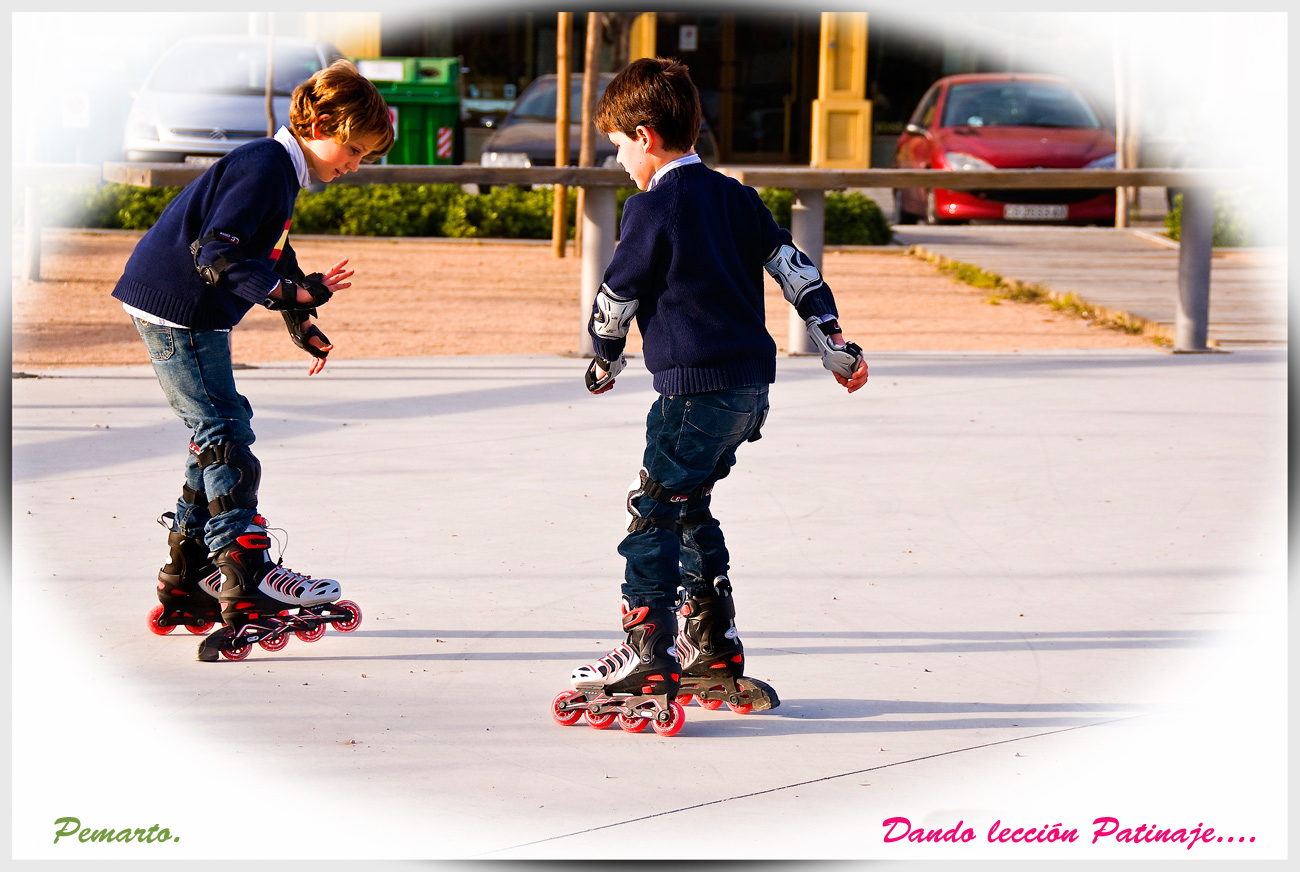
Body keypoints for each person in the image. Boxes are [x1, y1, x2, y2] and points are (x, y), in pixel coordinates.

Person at [554, 57, 869, 734]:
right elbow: (796, 269)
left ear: (644, 134)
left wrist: (603, 358)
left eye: (617, 145)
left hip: (693, 392)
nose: (618, 160)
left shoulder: (651, 207)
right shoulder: (737, 197)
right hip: (748, 392)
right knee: (689, 504)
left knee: (652, 510)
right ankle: (711, 650)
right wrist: (833, 342)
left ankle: (647, 652)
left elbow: (616, 295)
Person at [116, 60, 393, 661]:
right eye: (354, 148)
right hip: (181, 309)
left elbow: (269, 248)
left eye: (365, 156)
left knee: (213, 430)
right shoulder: (266, 165)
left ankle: (189, 578)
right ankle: (245, 577)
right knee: (224, 430)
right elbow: (216, 252)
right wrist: (292, 294)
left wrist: (300, 314)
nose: (354, 164)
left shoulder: (276, 169)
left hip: (187, 311)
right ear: (320, 123)